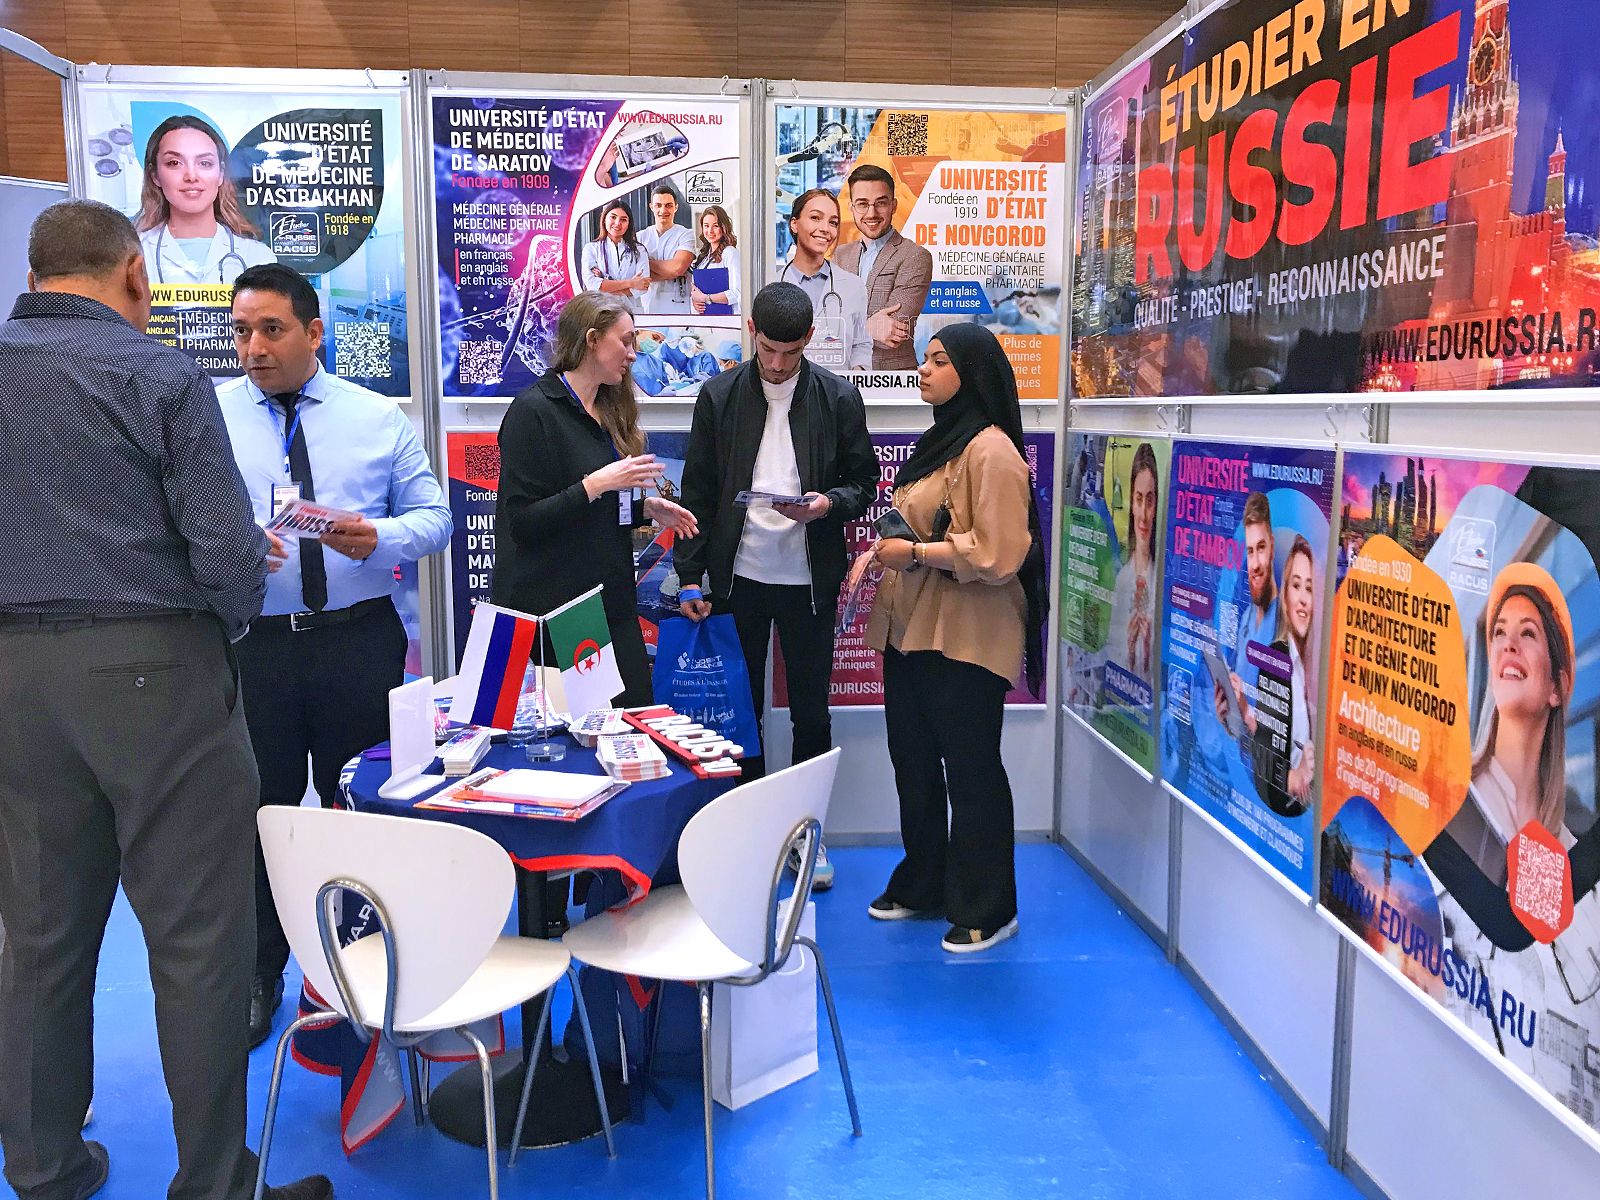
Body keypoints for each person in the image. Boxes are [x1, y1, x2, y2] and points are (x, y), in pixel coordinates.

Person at [0, 200, 329, 1200]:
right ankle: (216, 1184)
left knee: (41, 936)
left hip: (14, 679)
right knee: (197, 938)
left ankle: (46, 1168)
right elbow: (230, 554)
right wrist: (217, 627)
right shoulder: (160, 375)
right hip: (154, 671)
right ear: (134, 276)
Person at [217, 263, 452, 1050]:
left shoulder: (376, 417)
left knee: (363, 807)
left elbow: (435, 519)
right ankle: (260, 972)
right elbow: (177, 528)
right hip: (256, 653)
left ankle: (363, 963)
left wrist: (378, 535)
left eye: (271, 329)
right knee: (264, 816)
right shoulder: (207, 419)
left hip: (357, 640)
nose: (253, 347)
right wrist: (230, 550)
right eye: (242, 331)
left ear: (314, 333)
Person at [675, 282, 877, 890]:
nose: (779, 364)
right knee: (742, 712)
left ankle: (805, 836)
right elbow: (699, 494)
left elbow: (863, 483)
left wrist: (827, 504)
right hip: (738, 574)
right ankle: (752, 830)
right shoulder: (719, 396)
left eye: (791, 353)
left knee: (812, 711)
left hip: (809, 576)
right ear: (751, 335)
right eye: (768, 351)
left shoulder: (839, 397)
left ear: (809, 341)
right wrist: (689, 576)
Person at [863, 323, 1046, 953]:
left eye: (938, 362)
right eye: (923, 361)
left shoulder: (990, 451)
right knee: (912, 762)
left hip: (966, 636)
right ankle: (926, 881)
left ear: (971, 372)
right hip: (913, 630)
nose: (923, 371)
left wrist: (913, 549)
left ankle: (988, 905)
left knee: (970, 771)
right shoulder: (943, 442)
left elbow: (999, 553)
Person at [1430, 563, 1600, 1090]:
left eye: (1528, 635)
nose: (1508, 645)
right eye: (1499, 632)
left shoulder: (1570, 842)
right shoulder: (1449, 800)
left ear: (1557, 686)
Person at [493, 291, 698, 704]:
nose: (634, 354)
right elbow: (522, 524)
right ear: (591, 340)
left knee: (634, 725)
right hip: (559, 613)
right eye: (625, 341)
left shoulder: (609, 409)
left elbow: (598, 510)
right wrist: (596, 484)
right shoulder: (535, 411)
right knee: (575, 745)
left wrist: (644, 508)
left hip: (612, 602)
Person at [134, 115, 275, 286]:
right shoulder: (134, 255)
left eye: (205, 163)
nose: (191, 176)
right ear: (154, 175)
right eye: (174, 163)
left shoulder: (257, 257)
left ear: (221, 174)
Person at [831, 164, 932, 370]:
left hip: (891, 379)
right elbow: (826, 323)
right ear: (851, 208)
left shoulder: (915, 256)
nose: (872, 213)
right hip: (843, 377)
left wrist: (843, 329)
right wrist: (868, 327)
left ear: (894, 206)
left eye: (881, 203)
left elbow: (893, 329)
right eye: (862, 204)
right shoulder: (840, 256)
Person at [777, 189, 871, 370]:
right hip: (787, 394)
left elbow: (861, 345)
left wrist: (857, 374)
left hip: (837, 394)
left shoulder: (854, 286)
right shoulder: (771, 286)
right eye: (815, 218)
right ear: (794, 224)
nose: (825, 229)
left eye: (833, 222)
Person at [1105, 442, 1159, 680]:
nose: (1144, 514)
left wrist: (1147, 657)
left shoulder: (1162, 580)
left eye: (1150, 500)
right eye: (1139, 499)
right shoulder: (1122, 580)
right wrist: (1128, 652)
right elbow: (1110, 662)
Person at [1280, 535, 1318, 812]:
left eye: (1310, 588)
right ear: (1284, 594)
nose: (1303, 600)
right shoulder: (1280, 662)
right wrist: (1294, 777)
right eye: (1296, 586)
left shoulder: (1299, 663)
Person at [580, 198, 650, 311]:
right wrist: (631, 283)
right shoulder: (591, 249)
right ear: (604, 219)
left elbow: (642, 286)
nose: (617, 223)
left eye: (623, 219)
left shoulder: (639, 250)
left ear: (629, 224)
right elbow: (593, 285)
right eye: (613, 217)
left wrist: (605, 285)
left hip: (631, 311)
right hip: (600, 311)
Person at [639, 184, 695, 315]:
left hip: (678, 305)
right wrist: (669, 270)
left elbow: (678, 268)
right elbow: (634, 274)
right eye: (658, 205)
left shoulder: (686, 234)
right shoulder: (640, 237)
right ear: (651, 207)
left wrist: (645, 263)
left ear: (676, 207)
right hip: (647, 304)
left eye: (668, 205)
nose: (663, 210)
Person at [690, 204, 741, 315]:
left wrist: (705, 298)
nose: (710, 231)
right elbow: (695, 290)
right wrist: (695, 301)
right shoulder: (703, 257)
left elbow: (737, 293)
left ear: (724, 227)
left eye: (715, 226)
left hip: (725, 319)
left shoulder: (730, 253)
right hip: (705, 319)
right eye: (706, 226)